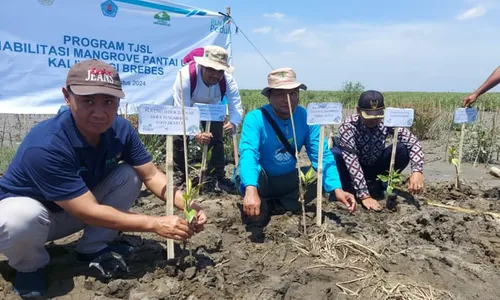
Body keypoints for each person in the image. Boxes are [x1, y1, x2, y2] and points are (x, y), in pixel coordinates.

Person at [0, 59, 207, 298]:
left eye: (109, 102)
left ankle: (92, 248)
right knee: (17, 218)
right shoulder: (46, 146)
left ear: (119, 101)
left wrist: (190, 205)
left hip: (78, 207)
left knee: (129, 174)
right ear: (67, 97)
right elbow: (88, 211)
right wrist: (155, 224)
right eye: (88, 101)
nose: (100, 113)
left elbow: (151, 175)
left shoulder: (120, 130)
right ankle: (29, 266)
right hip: (38, 220)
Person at [236, 67, 356, 235]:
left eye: (293, 93)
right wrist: (250, 189)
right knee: (249, 174)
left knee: (317, 176)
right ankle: (257, 199)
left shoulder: (306, 117)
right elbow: (248, 154)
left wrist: (337, 189)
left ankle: (278, 205)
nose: (288, 99)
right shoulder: (255, 118)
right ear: (268, 96)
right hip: (260, 178)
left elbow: (321, 156)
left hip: (286, 178)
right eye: (280, 94)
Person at [330, 90, 425, 211]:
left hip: (377, 165)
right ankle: (349, 188)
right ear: (358, 110)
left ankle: (381, 183)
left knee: (402, 149)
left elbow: (413, 142)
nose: (373, 120)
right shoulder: (349, 126)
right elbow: (351, 161)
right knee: (335, 154)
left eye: (378, 116)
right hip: (354, 168)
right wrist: (365, 196)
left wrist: (417, 171)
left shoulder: (388, 122)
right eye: (369, 116)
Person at [171, 45, 244, 191]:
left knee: (215, 137)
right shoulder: (185, 77)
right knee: (180, 134)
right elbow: (183, 110)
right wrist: (195, 133)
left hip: (213, 105)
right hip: (188, 104)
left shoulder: (228, 80)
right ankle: (180, 173)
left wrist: (234, 123)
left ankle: (216, 175)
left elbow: (236, 105)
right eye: (211, 70)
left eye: (220, 71)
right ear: (202, 66)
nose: (216, 75)